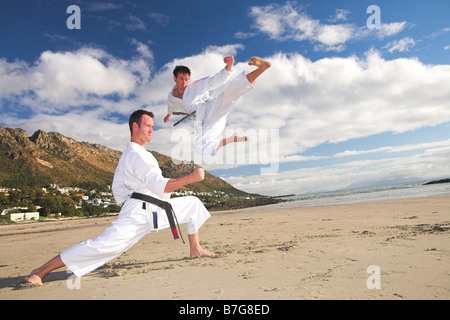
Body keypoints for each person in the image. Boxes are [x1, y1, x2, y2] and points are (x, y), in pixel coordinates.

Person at [23, 110, 217, 286]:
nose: (152, 130)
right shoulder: (136, 155)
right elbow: (161, 185)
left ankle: (195, 249)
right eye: (148, 126)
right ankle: (40, 271)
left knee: (192, 203)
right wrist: (191, 178)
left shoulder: (141, 154)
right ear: (135, 126)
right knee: (101, 247)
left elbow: (155, 183)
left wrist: (180, 180)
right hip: (138, 214)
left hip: (155, 208)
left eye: (152, 127)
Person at [164, 56, 271, 155]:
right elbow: (172, 105)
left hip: (210, 107)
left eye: (186, 79)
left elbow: (213, 80)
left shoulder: (194, 86)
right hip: (203, 122)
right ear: (175, 78)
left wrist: (228, 67)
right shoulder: (171, 96)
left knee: (231, 92)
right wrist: (169, 115)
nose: (184, 83)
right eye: (181, 79)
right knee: (199, 147)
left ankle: (262, 68)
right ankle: (232, 138)